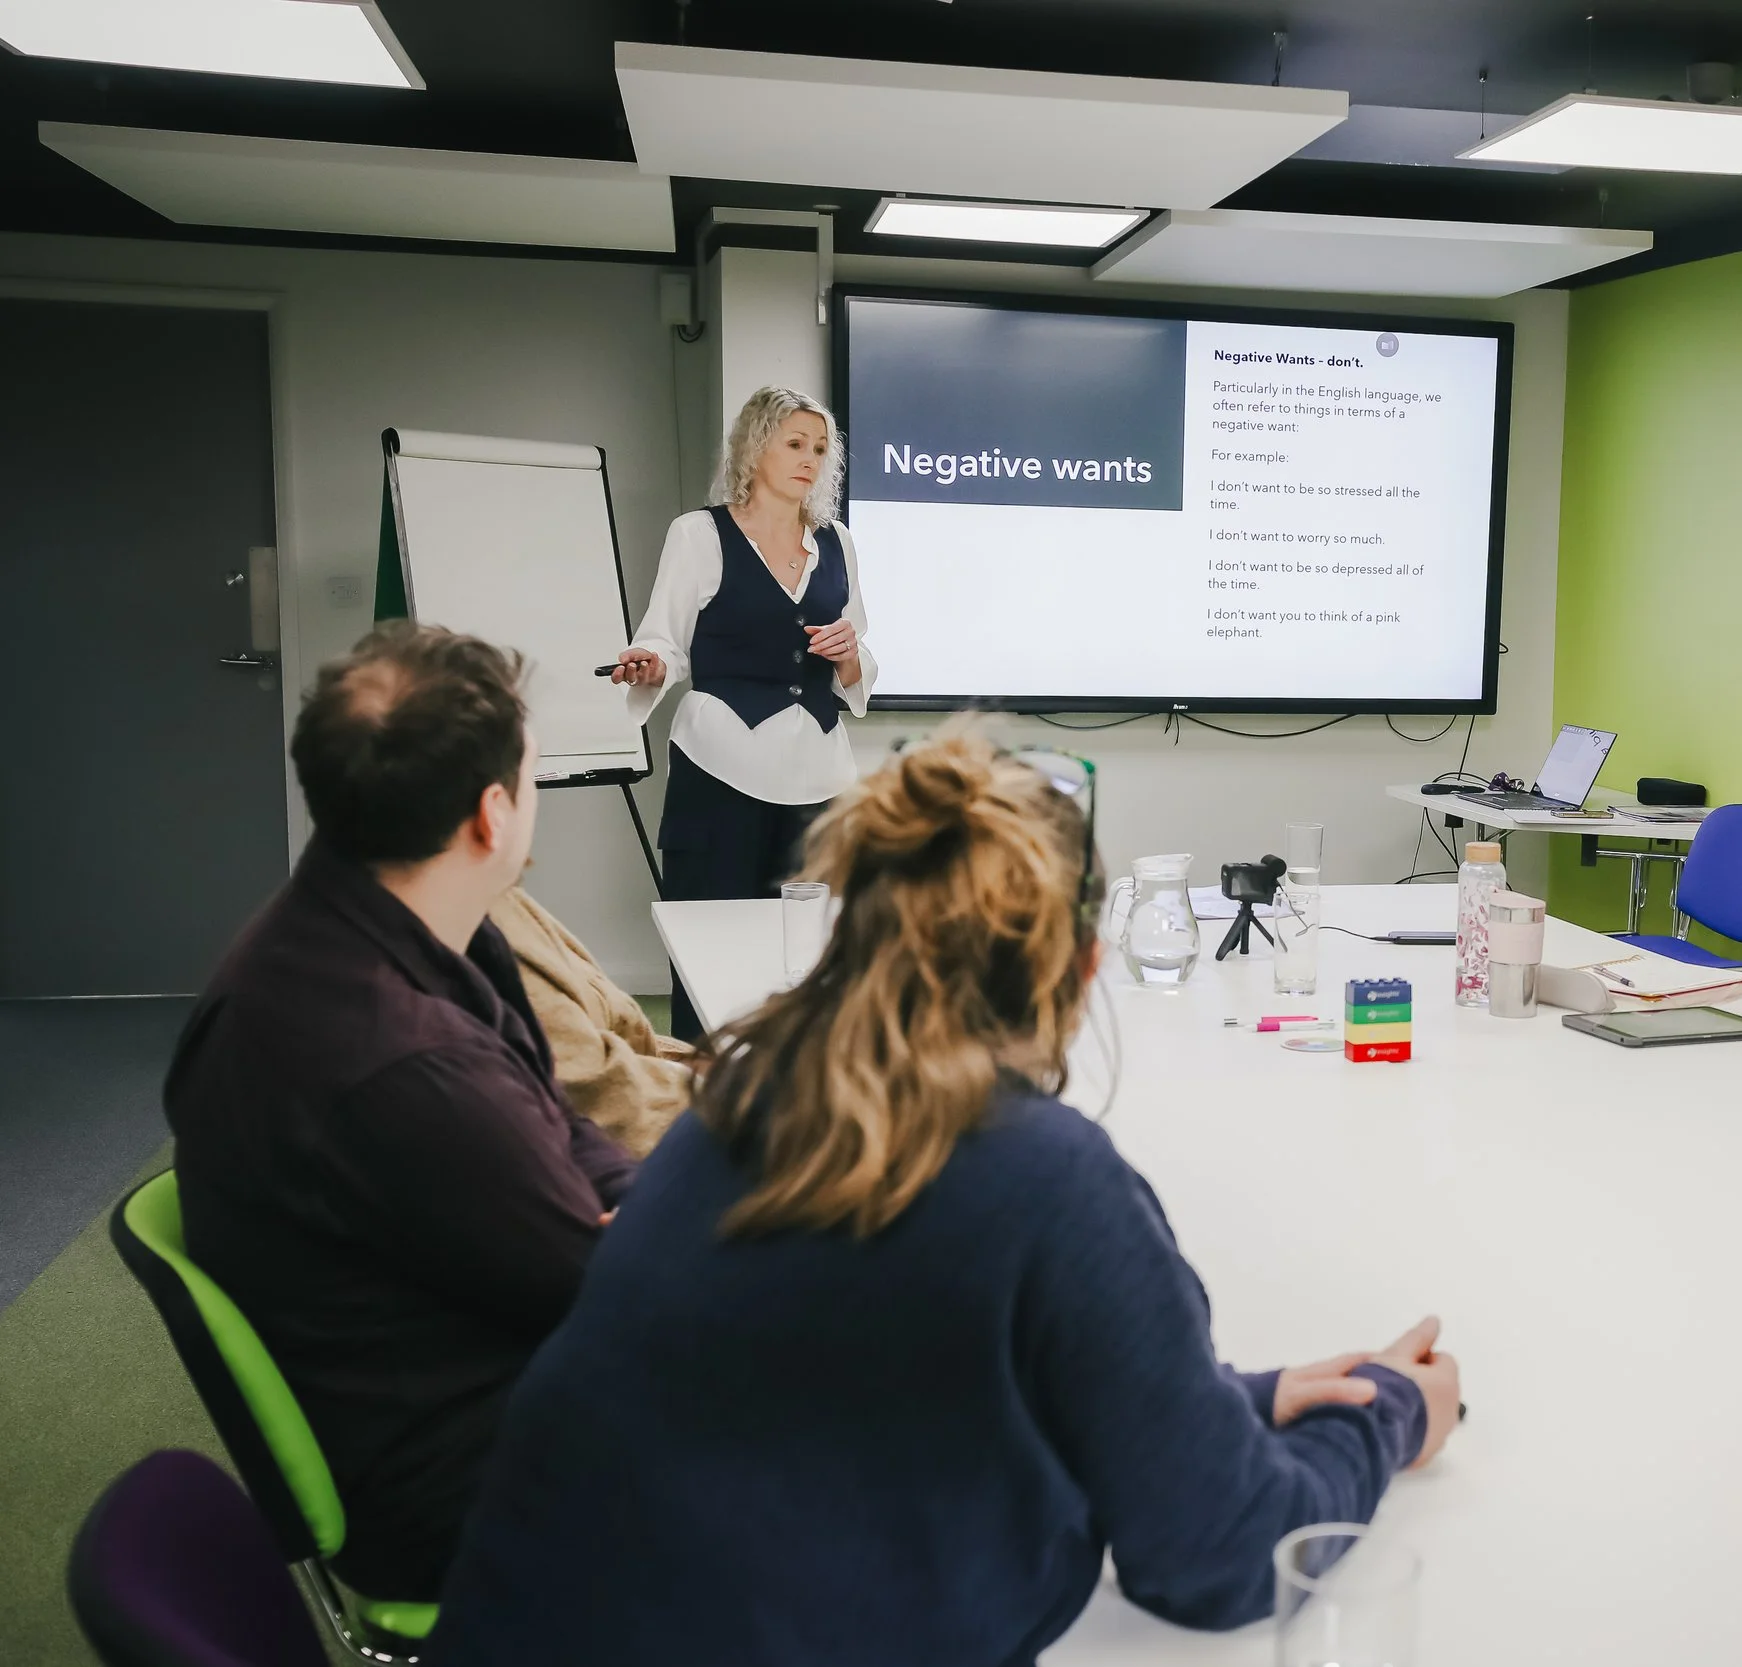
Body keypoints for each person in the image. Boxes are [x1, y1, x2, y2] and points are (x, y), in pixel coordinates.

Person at [429, 730, 1461, 1666]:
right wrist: (1392, 1413)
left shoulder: (737, 1108)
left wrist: (1227, 1399)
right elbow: (1219, 1555)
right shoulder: (1045, 1177)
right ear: (1083, 966)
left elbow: (876, 1385)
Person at [162, 624, 637, 1604]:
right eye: (533, 774)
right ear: (492, 814)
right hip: (477, 1490)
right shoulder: (405, 1061)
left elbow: (557, 1122)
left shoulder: (381, 921)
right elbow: (616, 1295)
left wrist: (634, 1196)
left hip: (464, 1355)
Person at [610, 385, 876, 1038]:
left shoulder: (837, 542)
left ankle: (798, 1087)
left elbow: (858, 659)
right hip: (720, 771)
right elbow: (664, 641)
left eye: (821, 448)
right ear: (755, 448)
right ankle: (700, 1085)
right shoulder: (698, 535)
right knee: (711, 948)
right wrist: (650, 664)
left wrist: (849, 655)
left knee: (815, 957)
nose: (811, 458)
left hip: (820, 779)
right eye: (795, 443)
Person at [485, 885, 691, 1156]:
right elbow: (592, 1098)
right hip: (637, 1146)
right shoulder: (485, 934)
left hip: (649, 1101)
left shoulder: (503, 903)